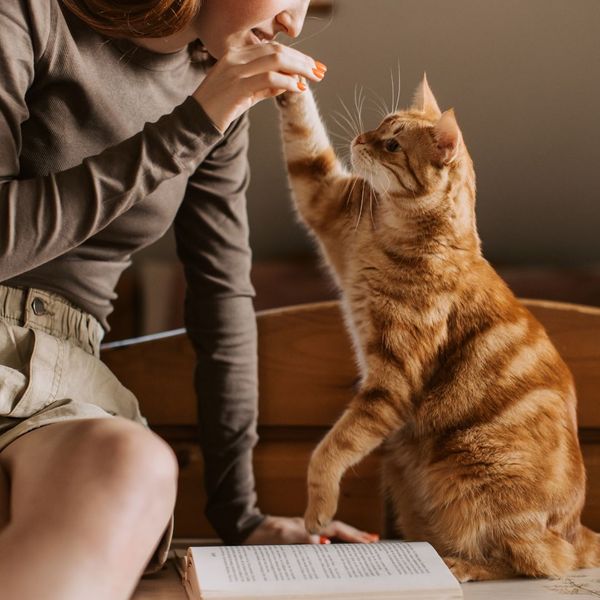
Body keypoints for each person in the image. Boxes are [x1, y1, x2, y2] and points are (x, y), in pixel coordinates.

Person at [0, 1, 378, 598]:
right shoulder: (28, 14)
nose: (295, 24)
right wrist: (190, 127)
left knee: (135, 463)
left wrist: (240, 515)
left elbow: (222, 298)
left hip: (64, 385)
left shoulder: (216, 90)